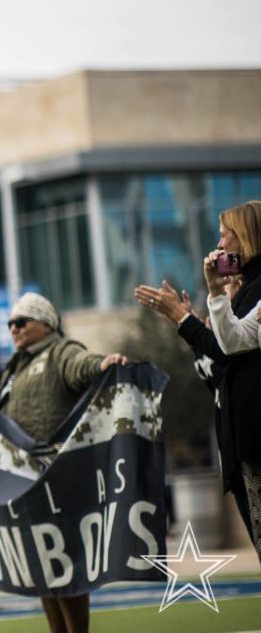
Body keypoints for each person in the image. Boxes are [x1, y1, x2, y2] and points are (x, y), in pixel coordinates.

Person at [0, 292, 128, 633]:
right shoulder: (14, 368)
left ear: (46, 323)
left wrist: (102, 365)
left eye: (22, 322)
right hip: (25, 483)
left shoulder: (59, 350)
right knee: (43, 571)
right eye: (10, 324)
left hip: (56, 477)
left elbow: (81, 365)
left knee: (66, 568)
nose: (14, 329)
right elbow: (0, 417)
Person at [137, 200, 261, 561]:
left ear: (248, 237)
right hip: (242, 443)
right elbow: (221, 363)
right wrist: (194, 321)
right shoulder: (247, 286)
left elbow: (230, 347)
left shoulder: (254, 286)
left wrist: (183, 317)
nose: (220, 246)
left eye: (226, 236)